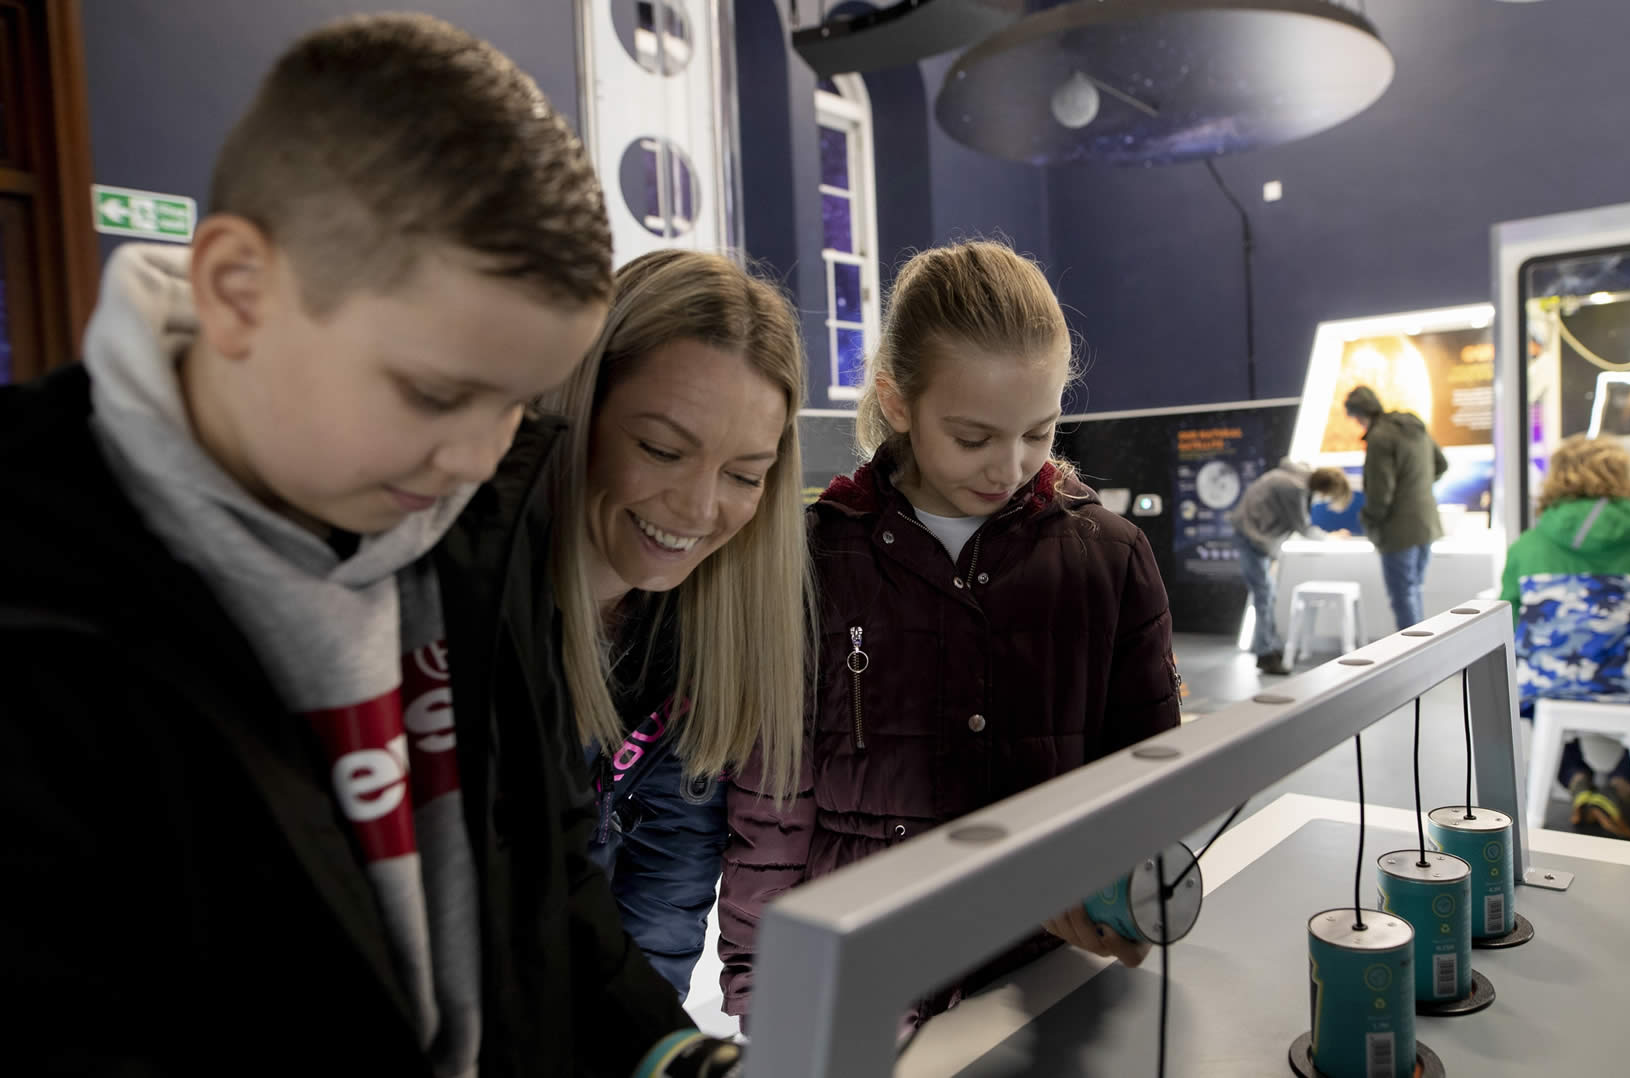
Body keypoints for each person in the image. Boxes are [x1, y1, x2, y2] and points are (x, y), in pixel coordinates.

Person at [0, 15, 699, 1074]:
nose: (474, 456)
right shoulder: (37, 597)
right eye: (434, 392)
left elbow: (546, 877)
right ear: (240, 290)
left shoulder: (485, 523)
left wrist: (672, 1056)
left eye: (514, 403)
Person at [717, 241, 1184, 1031]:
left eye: (1039, 432)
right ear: (897, 403)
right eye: (973, 437)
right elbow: (771, 801)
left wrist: (1127, 896)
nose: (1009, 466)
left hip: (1040, 983)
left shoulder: (1112, 559)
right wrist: (766, 981)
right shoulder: (809, 558)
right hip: (858, 978)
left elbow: (1150, 788)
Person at [545, 249, 811, 1001]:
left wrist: (638, 1043)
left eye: (744, 475)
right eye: (662, 450)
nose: (698, 511)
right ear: (580, 409)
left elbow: (669, 869)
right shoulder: (484, 611)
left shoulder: (703, 630)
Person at [1500, 436, 1630, 841]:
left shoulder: (1527, 545)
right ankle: (1622, 784)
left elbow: (1507, 616)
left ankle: (1576, 777)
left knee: (1530, 701)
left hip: (1550, 680)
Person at [1230, 462, 1352, 674]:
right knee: (1264, 595)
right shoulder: (1293, 488)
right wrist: (1330, 538)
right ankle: (1266, 653)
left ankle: (1271, 648)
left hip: (1255, 538)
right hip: (1253, 539)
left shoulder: (1290, 478)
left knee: (1267, 595)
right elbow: (1302, 526)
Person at [1345, 384, 1448, 629]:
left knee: (1403, 598)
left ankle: (1413, 661)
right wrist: (1416, 488)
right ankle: (1422, 654)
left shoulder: (1380, 438)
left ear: (1358, 414)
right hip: (1426, 525)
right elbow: (1441, 465)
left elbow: (1381, 495)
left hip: (1398, 531)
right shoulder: (1414, 427)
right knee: (1414, 592)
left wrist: (1367, 520)